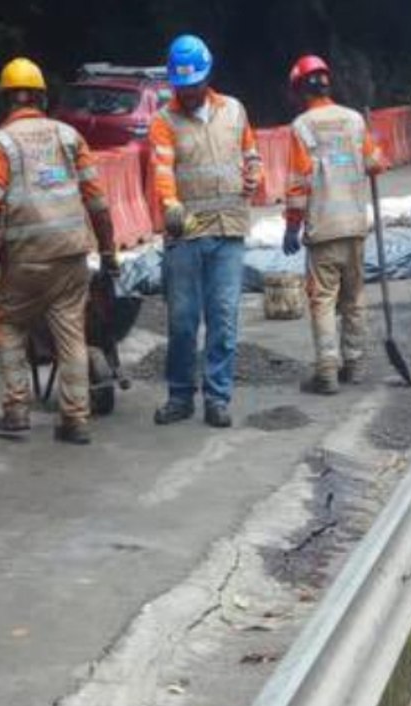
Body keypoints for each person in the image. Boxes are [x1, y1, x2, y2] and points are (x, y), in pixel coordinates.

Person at [0, 57, 119, 445]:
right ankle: (76, 419)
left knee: (7, 324)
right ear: (42, 98)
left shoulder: (0, 144)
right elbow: (97, 201)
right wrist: (109, 251)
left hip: (26, 259)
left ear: (6, 100)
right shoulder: (68, 137)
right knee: (70, 332)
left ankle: (16, 412)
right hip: (71, 256)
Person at [149, 34, 262, 428]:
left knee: (224, 318)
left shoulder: (233, 111)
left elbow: (251, 153)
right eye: (183, 86)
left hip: (229, 230)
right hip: (187, 234)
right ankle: (181, 395)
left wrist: (254, 174)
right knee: (182, 320)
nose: (190, 92)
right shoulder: (164, 122)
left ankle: (217, 397)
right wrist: (170, 204)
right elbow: (162, 169)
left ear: (207, 76)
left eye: (195, 83)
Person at [281, 55, 385, 395]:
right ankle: (353, 365)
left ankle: (327, 370)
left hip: (323, 227)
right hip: (355, 225)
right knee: (354, 296)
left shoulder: (302, 127)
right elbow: (376, 164)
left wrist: (291, 226)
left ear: (299, 89)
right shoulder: (355, 121)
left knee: (323, 299)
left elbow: (298, 183)